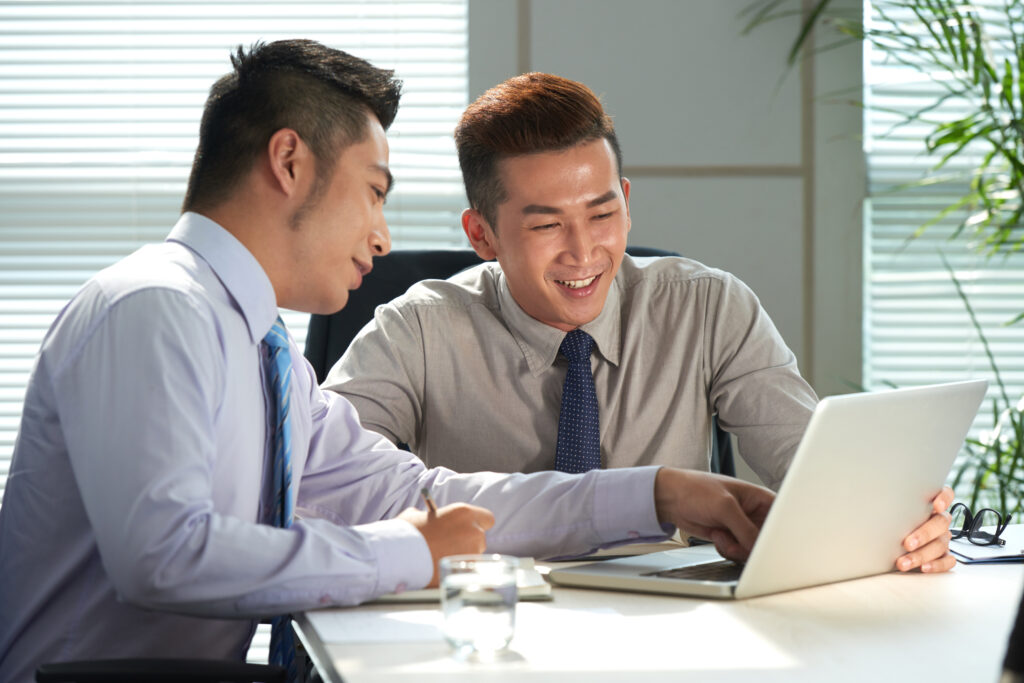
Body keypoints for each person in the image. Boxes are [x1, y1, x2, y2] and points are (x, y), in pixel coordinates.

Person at [0, 40, 791, 683]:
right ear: (288, 162)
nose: (382, 237)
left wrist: (652, 493)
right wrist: (410, 550)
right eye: (374, 191)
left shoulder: (258, 349)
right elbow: (165, 555)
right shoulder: (156, 306)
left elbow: (423, 494)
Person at [324, 72, 956, 568]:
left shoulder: (708, 307)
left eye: (602, 214)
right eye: (546, 225)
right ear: (481, 234)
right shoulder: (418, 329)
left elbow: (816, 474)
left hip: (677, 627)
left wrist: (894, 525)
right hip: (497, 626)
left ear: (626, 204)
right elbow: (318, 484)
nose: (583, 251)